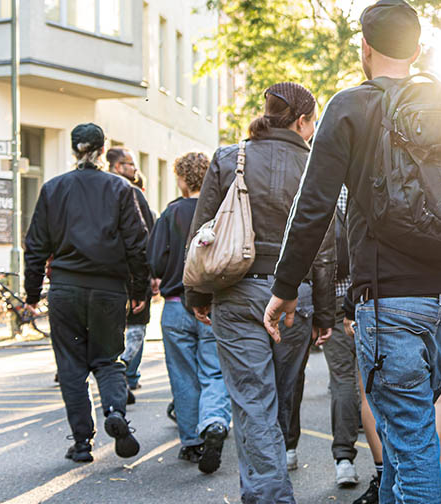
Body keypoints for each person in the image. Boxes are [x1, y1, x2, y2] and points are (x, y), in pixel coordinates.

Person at [264, 0, 441, 504]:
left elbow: (314, 207)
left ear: (364, 48)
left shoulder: (351, 105)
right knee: (402, 435)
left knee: (410, 445)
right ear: (418, 48)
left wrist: (284, 289)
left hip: (390, 299)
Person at [188, 82, 337, 504]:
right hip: (294, 296)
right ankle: (270, 494)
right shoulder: (316, 166)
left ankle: (267, 495)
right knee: (279, 398)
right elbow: (324, 246)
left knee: (254, 402)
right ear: (303, 121)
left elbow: (203, 232)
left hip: (236, 291)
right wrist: (324, 313)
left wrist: (197, 292)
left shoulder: (229, 158)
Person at [23, 123, 147, 463]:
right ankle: (115, 412)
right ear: (103, 150)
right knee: (108, 360)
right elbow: (138, 244)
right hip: (108, 289)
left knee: (71, 366)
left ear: (75, 150)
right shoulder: (120, 189)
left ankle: (82, 443)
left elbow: (35, 246)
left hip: (65, 289)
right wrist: (139, 290)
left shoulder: (53, 189)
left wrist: (32, 293)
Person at [149, 151, 232, 473]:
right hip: (213, 303)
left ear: (182, 178)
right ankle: (213, 421)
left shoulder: (171, 213)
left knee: (183, 376)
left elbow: (154, 261)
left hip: (174, 306)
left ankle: (191, 442)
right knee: (213, 371)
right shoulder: (223, 213)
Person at [285, 189, 362, 488]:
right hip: (370, 298)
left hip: (333, 298)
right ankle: (382, 463)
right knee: (373, 383)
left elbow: (315, 253)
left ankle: (342, 460)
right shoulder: (369, 180)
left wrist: (320, 309)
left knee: (340, 379)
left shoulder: (320, 189)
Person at [107, 146, 155, 399]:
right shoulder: (133, 193)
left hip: (104, 276)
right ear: (118, 167)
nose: (135, 170)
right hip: (131, 274)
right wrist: (149, 278)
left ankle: (120, 375)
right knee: (136, 325)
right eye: (130, 165)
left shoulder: (99, 192)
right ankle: (127, 372)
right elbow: (146, 236)